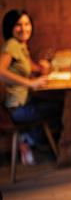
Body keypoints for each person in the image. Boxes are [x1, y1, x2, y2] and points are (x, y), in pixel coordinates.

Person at [0, 9, 58, 166]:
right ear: (10, 27)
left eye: (27, 24)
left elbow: (32, 67)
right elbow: (0, 71)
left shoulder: (21, 46)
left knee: (53, 105)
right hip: (17, 109)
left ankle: (30, 140)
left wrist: (42, 67)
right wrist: (30, 83)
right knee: (59, 107)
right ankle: (27, 140)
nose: (24, 28)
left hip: (23, 104)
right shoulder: (12, 45)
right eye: (18, 25)